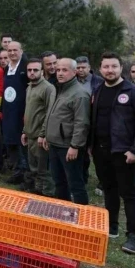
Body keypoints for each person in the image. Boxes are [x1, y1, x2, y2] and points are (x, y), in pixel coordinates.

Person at [90, 52, 135, 253]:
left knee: (129, 193)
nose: (110, 70)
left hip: (125, 153)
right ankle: (111, 226)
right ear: (100, 69)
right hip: (101, 151)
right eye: (106, 67)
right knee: (109, 189)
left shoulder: (133, 91)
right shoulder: (97, 90)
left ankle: (133, 236)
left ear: (121, 67)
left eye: (114, 66)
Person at [42, 58, 90, 205]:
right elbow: (50, 114)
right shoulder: (56, 89)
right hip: (54, 144)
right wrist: (45, 134)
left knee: (75, 183)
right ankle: (64, 212)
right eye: (58, 70)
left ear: (74, 72)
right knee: (59, 182)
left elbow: (82, 123)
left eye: (65, 70)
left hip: (68, 147)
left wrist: (75, 146)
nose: (60, 73)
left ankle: (83, 217)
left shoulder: (80, 94)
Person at [21, 58, 55, 196]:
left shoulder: (48, 88)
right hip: (30, 135)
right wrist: (24, 131)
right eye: (29, 70)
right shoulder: (29, 87)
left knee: (43, 170)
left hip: (40, 137)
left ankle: (48, 196)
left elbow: (50, 113)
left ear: (42, 71)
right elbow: (29, 111)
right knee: (34, 168)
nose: (32, 72)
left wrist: (43, 134)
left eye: (35, 70)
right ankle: (38, 192)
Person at [1, 41, 28, 184]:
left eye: (15, 50)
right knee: (10, 141)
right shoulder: (7, 68)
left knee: (22, 143)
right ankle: (17, 171)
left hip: (21, 111)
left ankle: (26, 174)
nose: (12, 53)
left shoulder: (26, 67)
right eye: (9, 50)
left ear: (21, 51)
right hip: (8, 111)